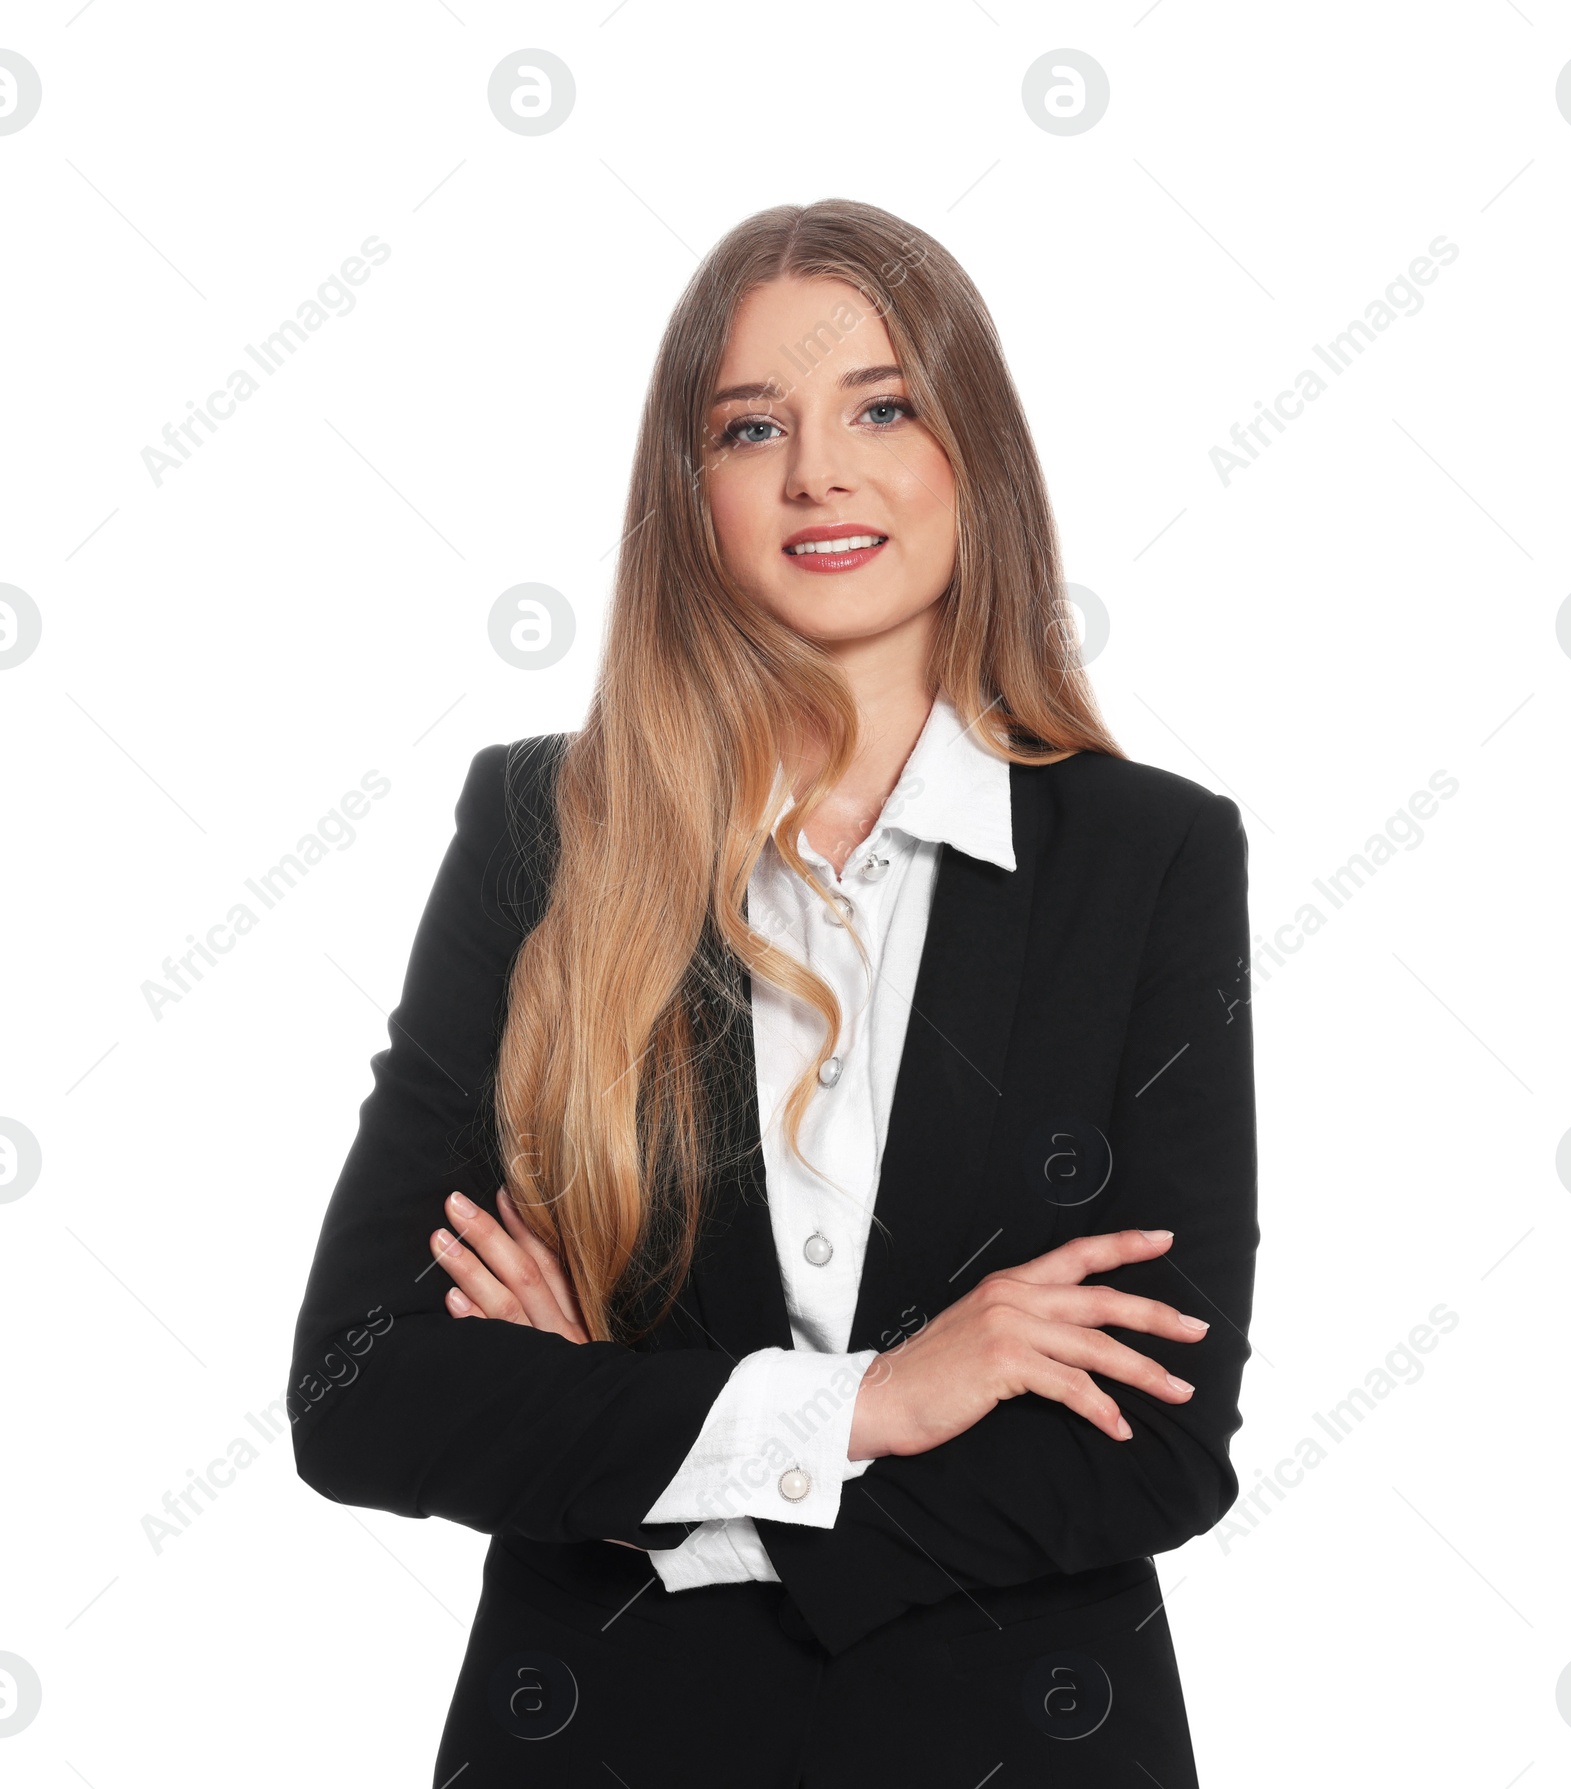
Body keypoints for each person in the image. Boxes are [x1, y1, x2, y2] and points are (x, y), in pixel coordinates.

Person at [288, 197, 1258, 1787]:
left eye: (882, 406)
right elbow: (365, 1391)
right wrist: (878, 1400)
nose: (821, 471)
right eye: (754, 428)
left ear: (975, 458)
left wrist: (617, 1442)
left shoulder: (1146, 855)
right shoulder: (547, 827)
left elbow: (1156, 1435)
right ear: (696, 492)